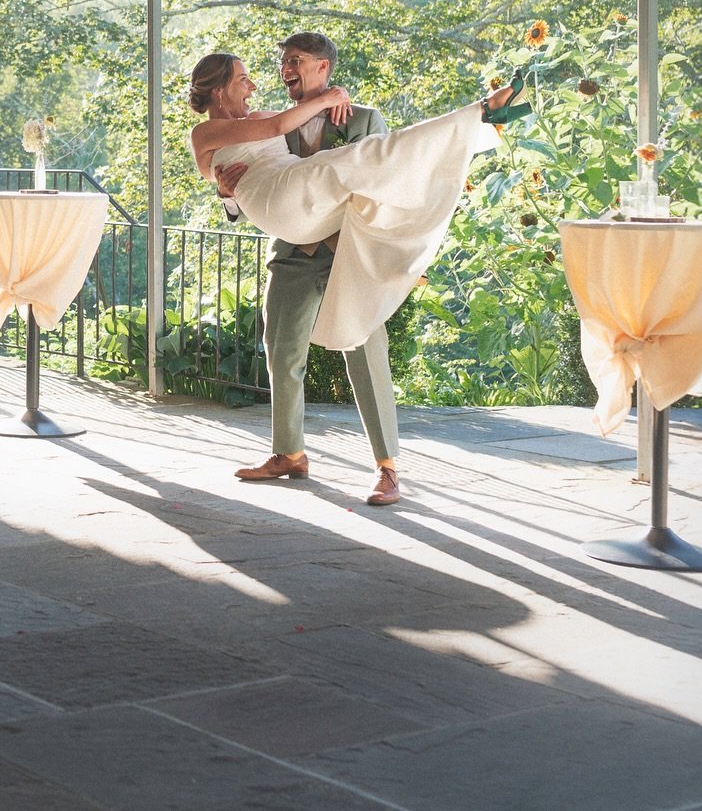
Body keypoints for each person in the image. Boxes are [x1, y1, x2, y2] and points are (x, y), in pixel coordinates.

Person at [191, 35, 519, 506]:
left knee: (366, 355)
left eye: (295, 61)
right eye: (281, 61)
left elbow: (388, 172)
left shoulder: (362, 119)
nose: (282, 69)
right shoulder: (264, 124)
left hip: (349, 248)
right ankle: (288, 454)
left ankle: (387, 469)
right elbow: (247, 191)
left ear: (323, 67)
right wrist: (225, 195)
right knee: (281, 353)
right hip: (292, 250)